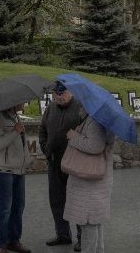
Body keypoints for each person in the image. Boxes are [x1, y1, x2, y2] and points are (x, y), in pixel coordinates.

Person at [63, 107, 116, 253]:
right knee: (95, 221)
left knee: (88, 223)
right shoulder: (101, 118)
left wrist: (73, 136)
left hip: (89, 181)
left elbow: (95, 146)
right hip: (96, 179)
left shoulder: (94, 120)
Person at [39, 81, 84, 251]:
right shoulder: (50, 108)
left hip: (75, 164)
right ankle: (63, 235)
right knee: (56, 201)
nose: (59, 97)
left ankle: (82, 237)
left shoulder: (80, 107)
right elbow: (42, 129)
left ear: (70, 92)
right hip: (54, 162)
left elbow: (87, 133)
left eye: (62, 93)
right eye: (56, 94)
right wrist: (46, 149)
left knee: (77, 201)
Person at [0, 106, 31, 253]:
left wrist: (27, 160)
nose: (24, 103)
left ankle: (13, 241)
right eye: (21, 101)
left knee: (18, 206)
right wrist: (15, 132)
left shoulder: (14, 115)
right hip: (3, 169)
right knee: (5, 208)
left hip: (18, 168)